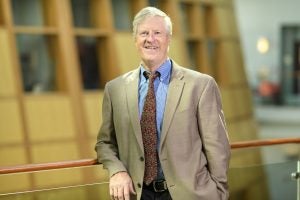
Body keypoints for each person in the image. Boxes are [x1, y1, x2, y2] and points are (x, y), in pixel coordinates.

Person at [95, 6, 231, 200]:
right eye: (144, 33)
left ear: (169, 39)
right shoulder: (114, 89)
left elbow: (217, 147)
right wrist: (117, 171)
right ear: (135, 40)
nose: (150, 39)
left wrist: (219, 192)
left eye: (157, 33)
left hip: (191, 195)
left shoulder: (200, 85)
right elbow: (104, 142)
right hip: (138, 194)